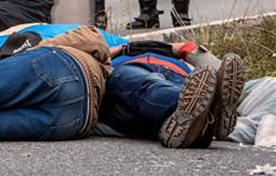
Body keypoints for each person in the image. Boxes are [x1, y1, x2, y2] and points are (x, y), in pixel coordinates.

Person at [99, 40, 245, 148]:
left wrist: (185, 49)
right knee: (148, 86)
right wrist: (119, 49)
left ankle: (201, 120)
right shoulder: (109, 47)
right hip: (129, 68)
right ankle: (210, 113)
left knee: (193, 90)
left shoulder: (192, 72)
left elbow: (191, 50)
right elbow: (90, 53)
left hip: (179, 73)